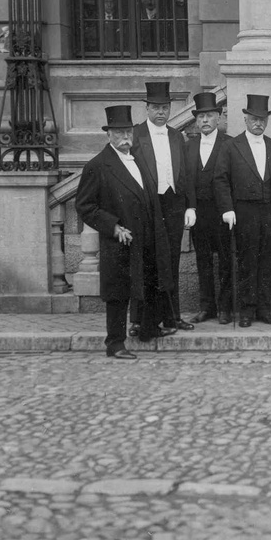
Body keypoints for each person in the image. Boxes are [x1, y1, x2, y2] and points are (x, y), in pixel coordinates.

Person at [76, 105, 173, 359]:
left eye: (128, 131)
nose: (124, 137)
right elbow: (85, 206)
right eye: (118, 132)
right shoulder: (98, 166)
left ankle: (148, 330)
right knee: (119, 293)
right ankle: (115, 343)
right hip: (121, 240)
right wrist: (113, 226)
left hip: (147, 236)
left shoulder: (137, 159)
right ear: (108, 135)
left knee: (150, 284)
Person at [212, 94, 271, 327]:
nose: (258, 123)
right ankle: (246, 310)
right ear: (245, 118)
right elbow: (220, 179)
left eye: (262, 119)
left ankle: (264, 309)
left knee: (268, 261)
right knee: (247, 261)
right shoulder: (231, 146)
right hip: (244, 212)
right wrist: (227, 208)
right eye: (254, 118)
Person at [131, 81, 196, 332]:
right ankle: (138, 320)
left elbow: (186, 174)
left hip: (173, 204)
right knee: (144, 262)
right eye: (156, 107)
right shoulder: (136, 135)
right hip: (148, 205)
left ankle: (172, 317)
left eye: (165, 107)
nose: (161, 112)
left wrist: (190, 206)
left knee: (171, 263)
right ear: (147, 108)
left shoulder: (176, 136)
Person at [183, 90, 231, 325]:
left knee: (225, 260)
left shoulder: (229, 144)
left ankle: (225, 308)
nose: (204, 121)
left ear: (218, 118)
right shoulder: (189, 146)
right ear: (195, 119)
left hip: (221, 212)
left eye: (209, 116)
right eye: (200, 116)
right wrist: (189, 207)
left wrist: (229, 209)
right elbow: (185, 180)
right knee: (202, 260)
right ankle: (206, 307)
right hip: (198, 213)